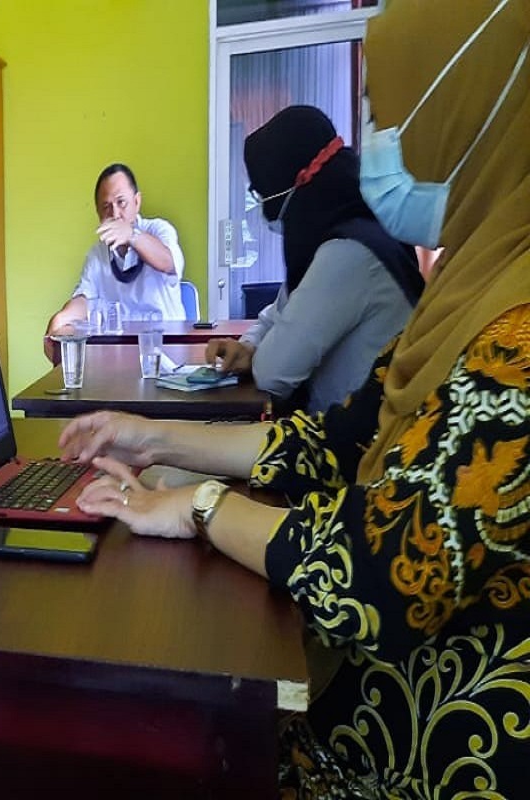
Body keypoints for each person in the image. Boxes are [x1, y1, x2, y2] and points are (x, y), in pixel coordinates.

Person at [60, 0, 530, 795]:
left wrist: (199, 507)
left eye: (390, 112)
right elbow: (337, 438)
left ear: (470, 109)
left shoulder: (516, 329)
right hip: (370, 696)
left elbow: (382, 575)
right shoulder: (469, 289)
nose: (377, 142)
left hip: (438, 753)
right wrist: (152, 436)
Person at [204, 105, 423, 415]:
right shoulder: (348, 233)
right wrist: (248, 345)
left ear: (290, 185)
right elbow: (277, 312)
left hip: (364, 437)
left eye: (262, 191)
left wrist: (256, 357)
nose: (263, 204)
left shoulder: (347, 253)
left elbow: (273, 373)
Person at [44, 163, 185, 360]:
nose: (115, 214)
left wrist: (132, 235)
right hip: (119, 358)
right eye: (106, 207)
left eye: (121, 203)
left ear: (137, 202)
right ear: (98, 214)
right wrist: (62, 317)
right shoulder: (97, 255)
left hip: (167, 354)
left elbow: (169, 262)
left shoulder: (159, 230)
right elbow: (84, 299)